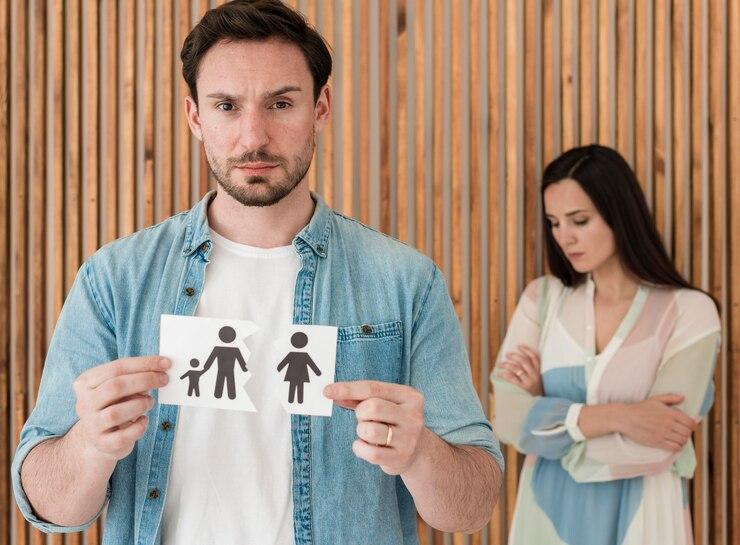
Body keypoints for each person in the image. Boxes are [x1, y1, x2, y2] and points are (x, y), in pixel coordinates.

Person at [12, 1, 503, 544]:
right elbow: (48, 505)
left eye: (281, 103)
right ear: (195, 116)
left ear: (320, 106)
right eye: (226, 105)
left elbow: (472, 507)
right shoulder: (114, 280)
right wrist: (90, 445)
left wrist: (420, 453)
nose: (254, 138)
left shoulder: (406, 283)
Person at [490, 144, 720, 545]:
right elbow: (508, 419)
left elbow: (662, 444)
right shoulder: (542, 300)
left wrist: (548, 420)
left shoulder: (689, 312)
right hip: (545, 517)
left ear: (619, 214)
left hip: (645, 517)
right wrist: (623, 418)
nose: (565, 237)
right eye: (554, 222)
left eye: (580, 220)